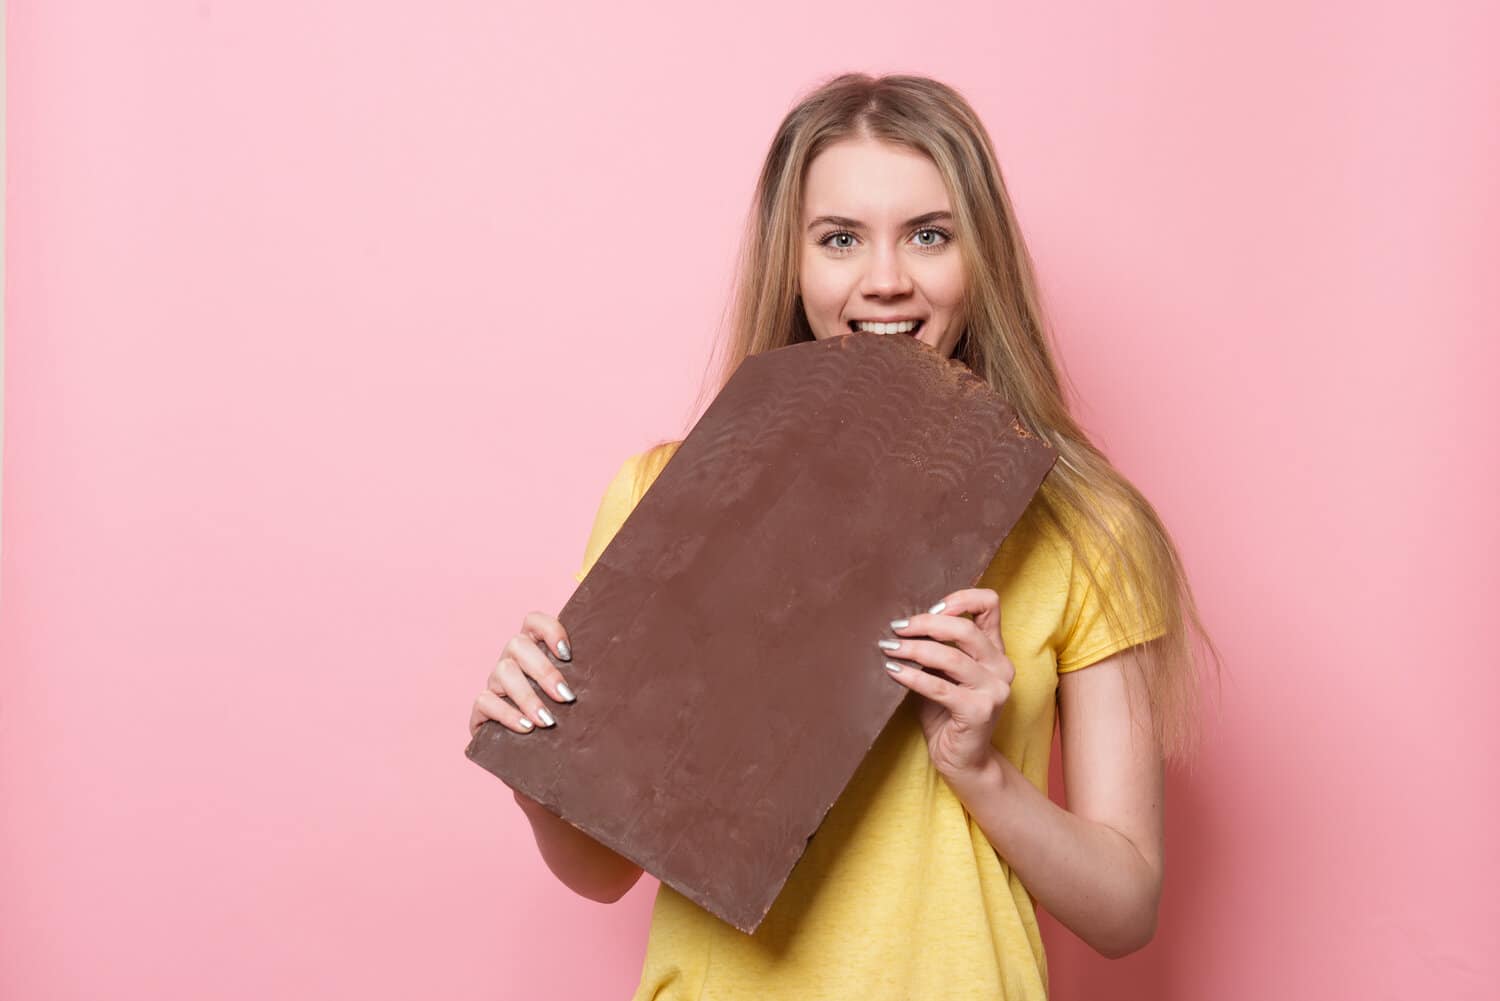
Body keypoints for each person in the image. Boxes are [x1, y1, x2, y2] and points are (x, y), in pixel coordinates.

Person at [468, 72, 1221, 1000]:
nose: (886, 279)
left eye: (930, 235)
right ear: (795, 261)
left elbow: (1126, 907)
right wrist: (534, 761)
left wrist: (978, 766)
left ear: (982, 257)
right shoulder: (662, 492)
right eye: (840, 239)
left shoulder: (1089, 529)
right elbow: (604, 871)